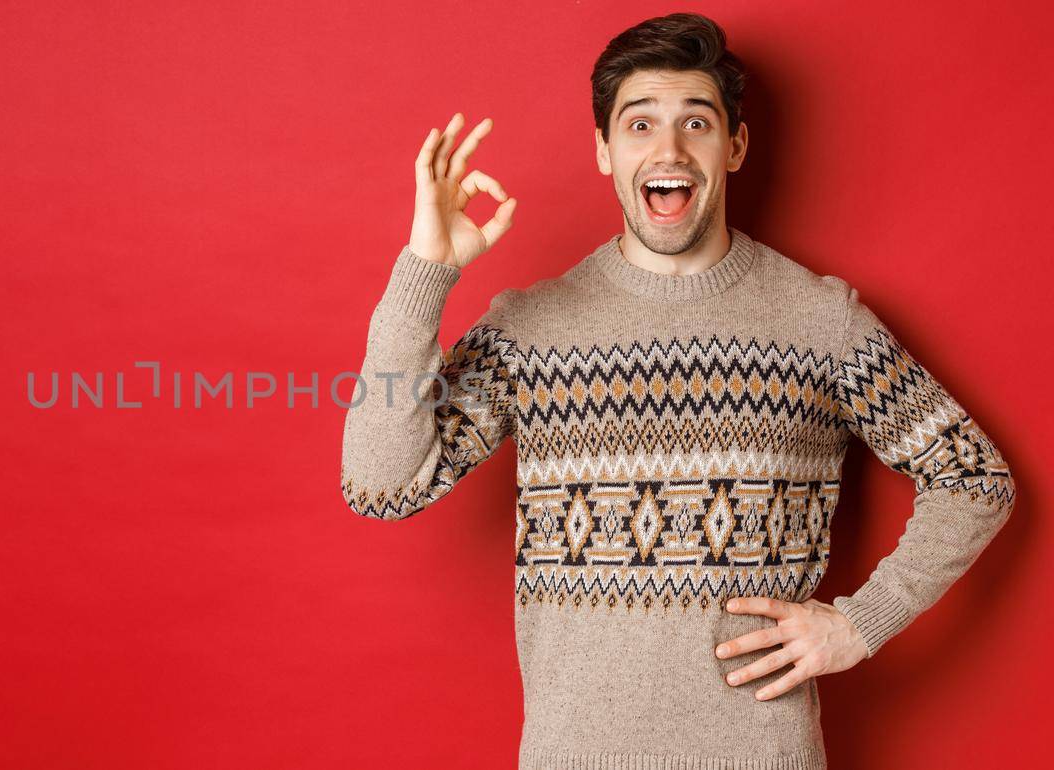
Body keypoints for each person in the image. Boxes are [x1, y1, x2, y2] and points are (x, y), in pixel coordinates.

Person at [338, 12, 1016, 769]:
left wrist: (861, 624)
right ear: (604, 151)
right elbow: (379, 486)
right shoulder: (531, 329)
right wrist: (426, 268)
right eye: (639, 124)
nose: (668, 148)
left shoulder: (820, 320)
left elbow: (973, 477)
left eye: (696, 121)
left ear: (734, 146)